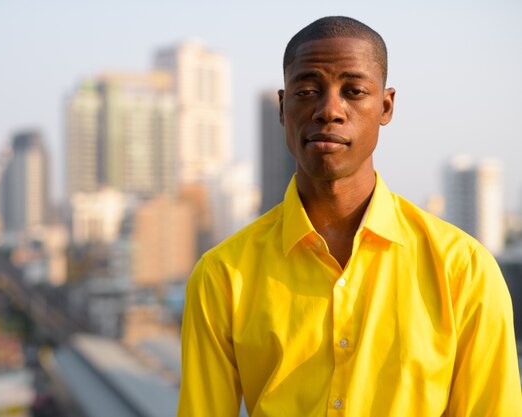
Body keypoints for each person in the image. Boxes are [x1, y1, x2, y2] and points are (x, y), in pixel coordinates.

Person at [177, 16, 522, 417]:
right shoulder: (223, 275)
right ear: (284, 106)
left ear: (385, 106)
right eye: (307, 91)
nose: (329, 110)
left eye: (354, 91)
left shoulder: (463, 270)